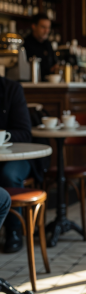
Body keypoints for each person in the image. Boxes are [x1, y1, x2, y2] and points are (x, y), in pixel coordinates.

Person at [0, 77, 32, 253]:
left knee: (9, 175)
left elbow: (25, 132)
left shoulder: (11, 89)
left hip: (15, 156)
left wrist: (2, 137)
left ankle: (14, 230)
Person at [23, 13, 58, 81]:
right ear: (34, 26)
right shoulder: (25, 44)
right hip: (30, 83)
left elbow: (54, 64)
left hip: (47, 83)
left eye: (48, 28)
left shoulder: (48, 44)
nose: (47, 31)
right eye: (43, 27)